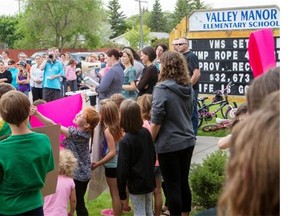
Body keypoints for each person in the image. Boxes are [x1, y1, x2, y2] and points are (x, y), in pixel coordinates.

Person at [32, 94, 100, 216]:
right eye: (79, 113)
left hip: (79, 175)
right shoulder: (86, 132)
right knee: (80, 201)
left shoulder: (76, 134)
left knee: (79, 204)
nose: (77, 115)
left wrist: (37, 114)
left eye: (80, 116)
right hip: (85, 173)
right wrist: (83, 101)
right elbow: (87, 115)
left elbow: (53, 125)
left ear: (86, 125)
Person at [150, 51, 196, 216]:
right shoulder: (188, 86)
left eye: (160, 64)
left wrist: (149, 143)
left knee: (172, 185)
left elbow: (156, 121)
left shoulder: (161, 88)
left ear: (165, 66)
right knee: (183, 182)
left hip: (169, 143)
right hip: (188, 140)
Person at [217, 100, 279, 216]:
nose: (243, 125)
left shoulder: (263, 137)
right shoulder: (236, 134)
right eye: (241, 121)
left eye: (247, 122)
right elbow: (221, 144)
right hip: (238, 179)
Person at [0, 90, 55, 215]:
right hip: (35, 206)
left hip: (7, 208)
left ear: (3, 116)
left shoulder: (2, 149)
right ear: (29, 111)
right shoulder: (43, 140)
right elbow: (47, 169)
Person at [118, 99, 156, 216]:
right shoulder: (145, 133)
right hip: (148, 179)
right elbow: (153, 155)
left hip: (136, 183)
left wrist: (122, 191)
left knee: (140, 211)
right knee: (148, 210)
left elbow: (122, 168)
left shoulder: (126, 141)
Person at [92, 100, 123, 216]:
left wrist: (98, 163)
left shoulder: (108, 130)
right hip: (121, 163)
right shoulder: (120, 126)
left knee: (114, 193)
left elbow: (112, 152)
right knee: (119, 192)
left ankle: (116, 213)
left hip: (112, 165)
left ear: (104, 115)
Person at [137, 94, 163, 216]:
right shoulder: (157, 123)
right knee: (158, 191)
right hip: (159, 159)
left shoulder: (142, 124)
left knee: (147, 192)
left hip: (148, 162)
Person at [177, 37, 201, 135]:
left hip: (190, 90)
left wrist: (188, 86)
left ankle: (193, 135)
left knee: (192, 113)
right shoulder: (181, 56)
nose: (178, 46)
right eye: (177, 44)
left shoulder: (191, 56)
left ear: (187, 45)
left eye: (180, 44)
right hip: (181, 88)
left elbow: (196, 73)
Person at [44, 149, 77, 216]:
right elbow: (73, 200)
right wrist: (71, 211)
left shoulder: (48, 179)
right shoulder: (70, 181)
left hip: (46, 213)